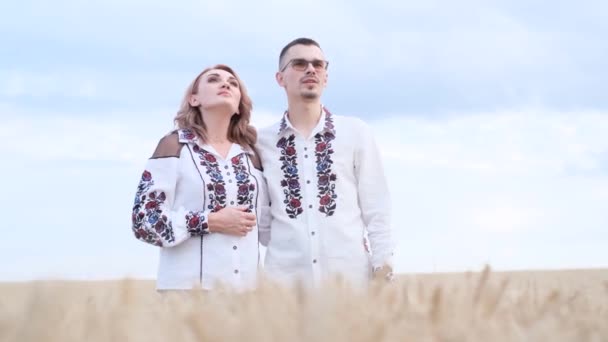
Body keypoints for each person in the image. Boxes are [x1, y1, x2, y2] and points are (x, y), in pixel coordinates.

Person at [257, 38, 395, 289]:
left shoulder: (355, 132)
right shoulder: (260, 143)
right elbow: (261, 219)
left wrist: (383, 271)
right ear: (280, 78)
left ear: (326, 77)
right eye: (299, 63)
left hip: (350, 284)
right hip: (285, 288)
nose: (311, 69)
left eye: (318, 64)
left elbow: (377, 209)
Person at [131, 64, 269, 291]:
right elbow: (143, 220)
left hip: (247, 296)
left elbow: (269, 225)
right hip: (186, 294)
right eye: (213, 80)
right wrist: (210, 221)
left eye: (233, 84)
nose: (225, 84)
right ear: (194, 99)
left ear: (238, 106)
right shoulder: (175, 145)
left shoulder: (251, 154)